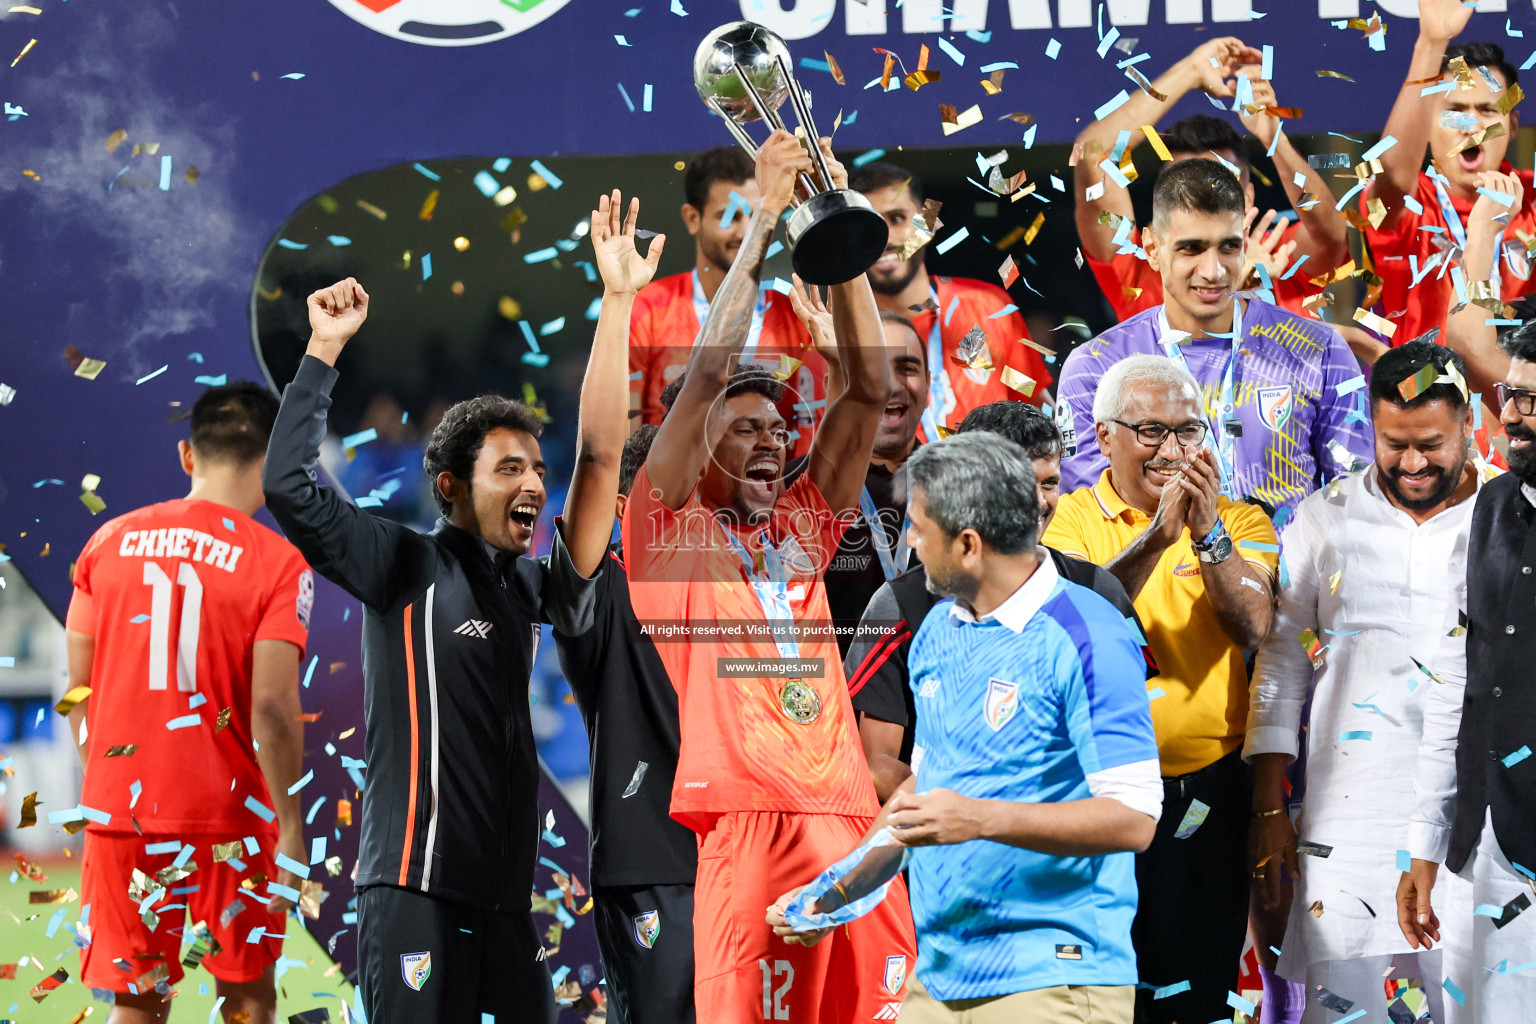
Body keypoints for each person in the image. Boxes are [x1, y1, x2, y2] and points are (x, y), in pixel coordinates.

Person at [622, 129, 915, 1022]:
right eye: (742, 426)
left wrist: (837, 226)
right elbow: (708, 371)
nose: (770, 438)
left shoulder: (800, 528)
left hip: (848, 820)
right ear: (696, 445)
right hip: (746, 828)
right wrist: (762, 226)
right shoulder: (663, 537)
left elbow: (867, 389)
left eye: (777, 426)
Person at [263, 279, 607, 1023]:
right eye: (508, 469)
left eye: (538, 469)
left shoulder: (526, 588)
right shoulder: (402, 561)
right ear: (451, 486)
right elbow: (288, 484)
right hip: (413, 891)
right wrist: (324, 350)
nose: (533, 484)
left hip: (506, 903)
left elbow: (598, 482)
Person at [769, 432, 1161, 1024]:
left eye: (921, 530)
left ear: (969, 545)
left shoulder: (1089, 635)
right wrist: (835, 892)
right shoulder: (939, 633)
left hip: (1054, 978)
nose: (911, 543)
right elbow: (924, 801)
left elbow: (1133, 818)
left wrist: (977, 819)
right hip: (940, 978)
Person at [1247, 341, 1482, 1024]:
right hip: (1346, 823)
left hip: (1478, 824)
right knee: (1343, 1012)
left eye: (1431, 444)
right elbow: (1282, 662)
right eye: (1393, 443)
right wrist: (1269, 807)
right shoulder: (1326, 517)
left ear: (1470, 424)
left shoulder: (1508, 515)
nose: (1412, 463)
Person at [1041, 354, 1279, 1024]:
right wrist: (1157, 538)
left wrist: (1205, 533)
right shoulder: (1066, 520)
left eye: (1188, 432)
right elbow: (1072, 629)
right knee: (1103, 992)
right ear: (1103, 435)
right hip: (1099, 797)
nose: (1172, 450)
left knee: (1199, 991)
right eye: (1150, 432)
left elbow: (1252, 624)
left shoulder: (1243, 522)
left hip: (1209, 796)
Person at [64, 382, 311, 1024]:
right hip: (231, 815)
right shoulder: (279, 562)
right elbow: (274, 708)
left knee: (137, 1003)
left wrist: (108, 780)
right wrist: (290, 819)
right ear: (273, 458)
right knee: (248, 997)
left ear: (186, 456)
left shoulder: (106, 542)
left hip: (124, 814)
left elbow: (77, 694)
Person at [550, 190, 698, 1024]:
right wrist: (618, 304)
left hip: (753, 851)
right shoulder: (599, 593)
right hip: (655, 865)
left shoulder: (741, 582)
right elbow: (600, 454)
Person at [844, 401, 1148, 802]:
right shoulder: (901, 604)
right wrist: (975, 820)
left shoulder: (1099, 593)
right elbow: (875, 761)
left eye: (1049, 483)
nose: (1038, 502)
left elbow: (1122, 742)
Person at [1056, 158, 1372, 524]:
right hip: (1153, 581)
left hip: (1289, 582)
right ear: (1152, 248)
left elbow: (1355, 509)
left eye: (1228, 247)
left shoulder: (1319, 351)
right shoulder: (1095, 366)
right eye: (1191, 248)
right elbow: (1091, 523)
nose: (1213, 271)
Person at [1399, 318, 1536, 1018]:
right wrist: (1426, 840)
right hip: (1483, 842)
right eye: (1512, 394)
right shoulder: (1488, 508)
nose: (1512, 415)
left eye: (1534, 403)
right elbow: (1455, 681)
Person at [1073, 37, 1348, 324]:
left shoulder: (1280, 253)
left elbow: (1330, 235)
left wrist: (1273, 137)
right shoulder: (1140, 262)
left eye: (1221, 182)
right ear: (1159, 204)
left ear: (1249, 197)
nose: (1202, 195)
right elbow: (1091, 155)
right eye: (1183, 185)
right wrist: (1190, 71)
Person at [627, 146, 822, 453]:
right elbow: (628, 428)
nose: (745, 231)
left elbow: (810, 429)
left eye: (755, 215)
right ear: (693, 218)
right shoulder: (649, 308)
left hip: (770, 492)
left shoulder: (794, 314)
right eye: (728, 216)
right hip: (667, 495)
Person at [1364, 1, 1534, 350]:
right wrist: (1430, 43)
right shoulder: (1411, 205)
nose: (1471, 125)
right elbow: (1393, 177)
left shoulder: (1532, 195)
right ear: (1427, 122)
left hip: (1523, 402)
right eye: (1454, 111)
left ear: (1512, 125)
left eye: (1487, 110)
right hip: (1427, 399)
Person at [849, 161, 1053, 438]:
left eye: (896, 219)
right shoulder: (833, 327)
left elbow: (1038, 412)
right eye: (867, 225)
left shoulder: (988, 309)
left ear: (927, 223)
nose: (884, 238)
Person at [782, 279, 930, 654]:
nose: (888, 386)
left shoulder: (965, 488)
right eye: (873, 372)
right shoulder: (789, 487)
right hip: (828, 699)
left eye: (907, 368)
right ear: (837, 381)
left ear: (930, 386)